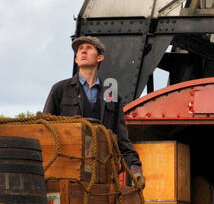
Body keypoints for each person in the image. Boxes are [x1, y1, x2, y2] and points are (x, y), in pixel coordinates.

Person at [42, 35, 144, 183]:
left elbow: (121, 139)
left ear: (100, 58)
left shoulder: (112, 96)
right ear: (76, 59)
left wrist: (135, 167)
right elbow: (45, 130)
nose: (83, 52)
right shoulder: (60, 90)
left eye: (88, 48)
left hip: (102, 171)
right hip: (68, 170)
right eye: (80, 49)